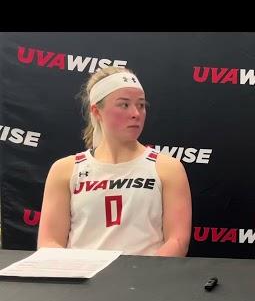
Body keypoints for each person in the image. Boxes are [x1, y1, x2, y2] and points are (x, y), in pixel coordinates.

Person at [38, 66, 192, 256]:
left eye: (141, 105)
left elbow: (177, 241)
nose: (136, 113)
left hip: (146, 281)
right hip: (82, 281)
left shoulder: (167, 168)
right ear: (97, 112)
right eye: (124, 104)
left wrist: (140, 278)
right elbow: (49, 242)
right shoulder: (66, 170)